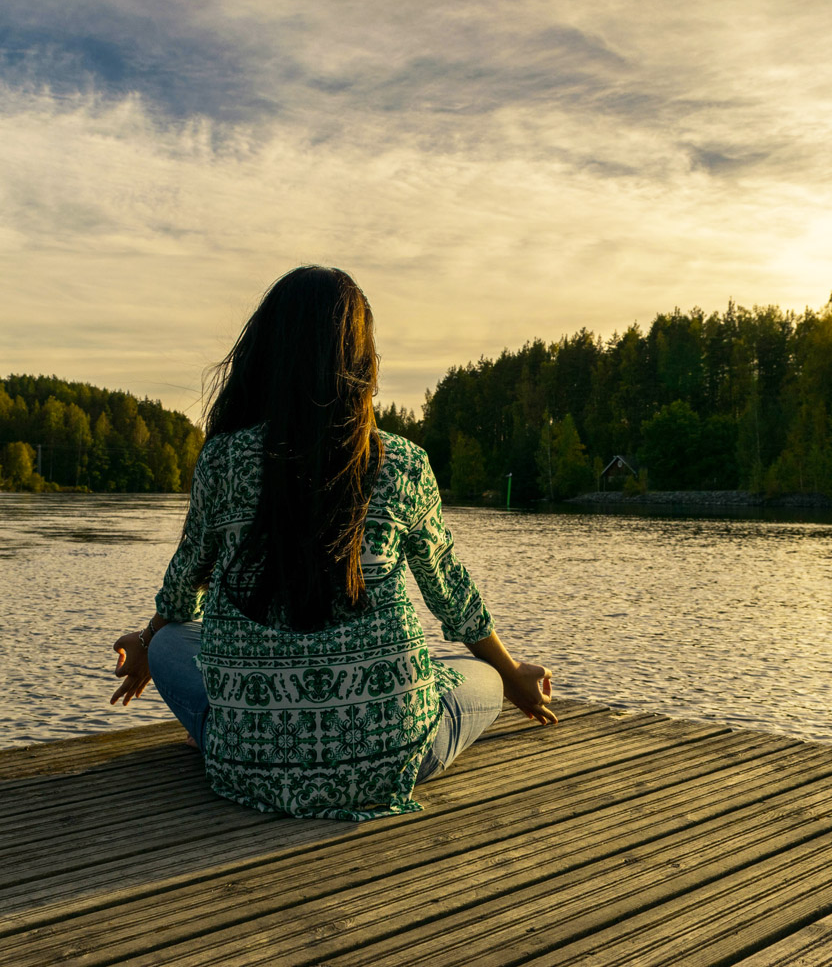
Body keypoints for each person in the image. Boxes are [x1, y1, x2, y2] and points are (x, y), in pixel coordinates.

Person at [110, 266, 555, 821]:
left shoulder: (223, 460)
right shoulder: (403, 463)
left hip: (247, 766)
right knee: (482, 676)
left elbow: (182, 589)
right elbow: (452, 597)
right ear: (362, 361)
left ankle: (240, 733)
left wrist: (150, 640)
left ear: (267, 352)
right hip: (392, 759)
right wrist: (514, 676)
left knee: (175, 641)